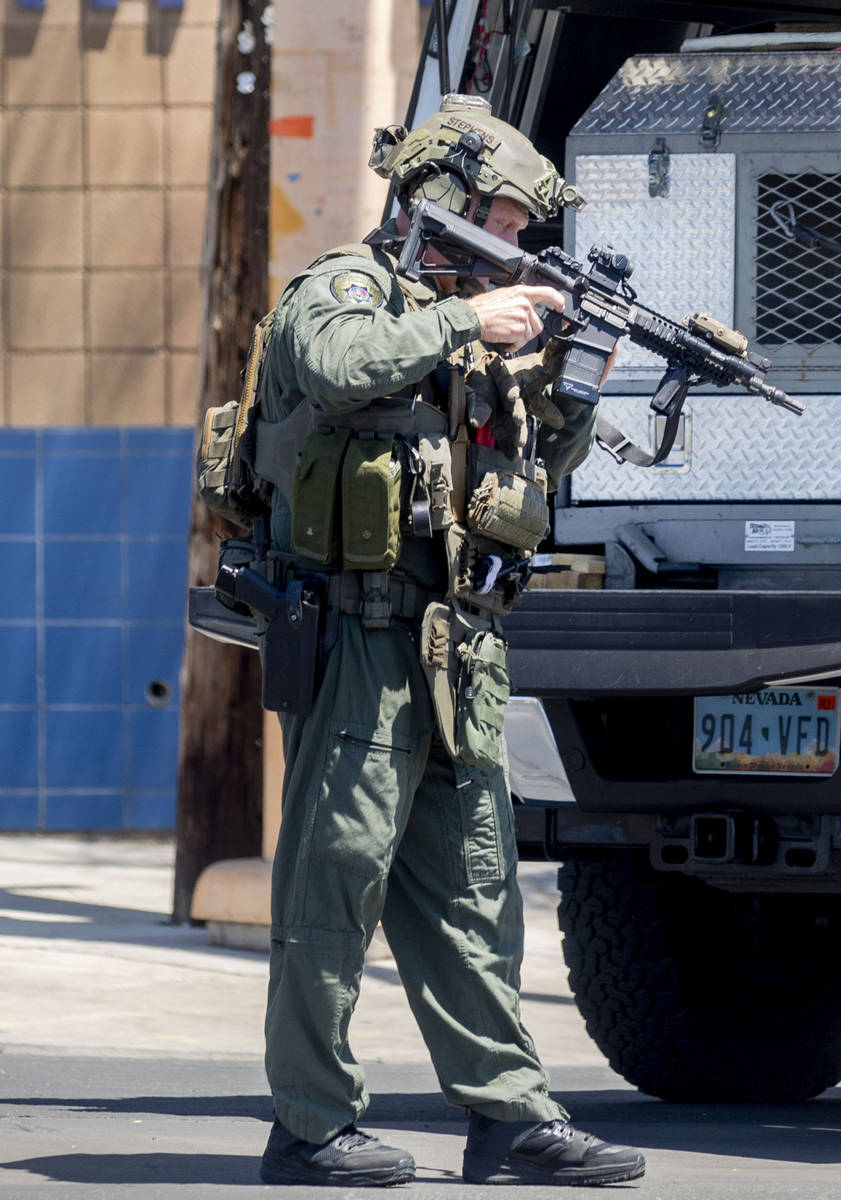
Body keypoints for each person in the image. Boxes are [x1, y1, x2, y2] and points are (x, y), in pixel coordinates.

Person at [251, 95, 645, 1188]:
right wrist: (479, 320)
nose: (516, 248)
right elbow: (332, 364)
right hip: (357, 640)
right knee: (335, 881)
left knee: (477, 890)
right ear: (445, 205)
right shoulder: (351, 289)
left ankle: (508, 1117)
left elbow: (527, 481)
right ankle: (312, 1125)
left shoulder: (474, 327)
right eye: (506, 224)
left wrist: (572, 374)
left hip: (457, 644)